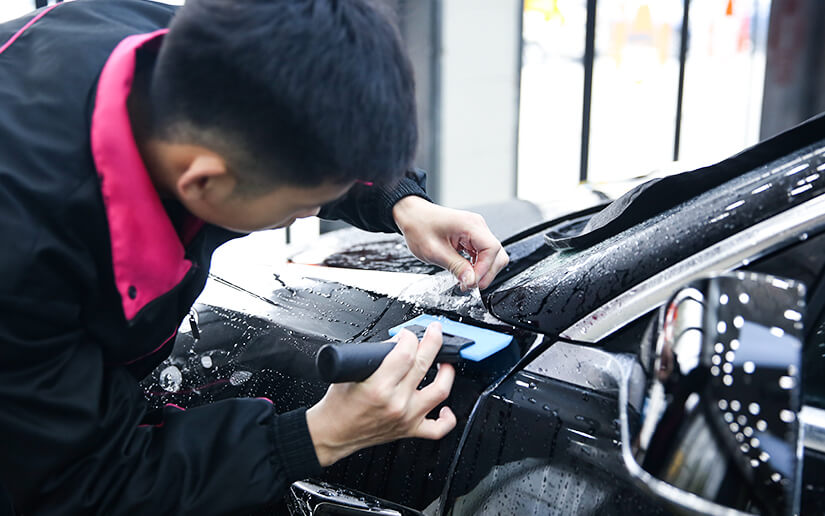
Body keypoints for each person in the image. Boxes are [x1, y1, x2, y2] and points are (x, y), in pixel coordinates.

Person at [0, 0, 509, 514]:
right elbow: (75, 485)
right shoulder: (24, 259)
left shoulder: (184, 50)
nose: (313, 210)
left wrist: (400, 200)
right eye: (299, 206)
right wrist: (318, 435)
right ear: (201, 180)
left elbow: (290, 123)